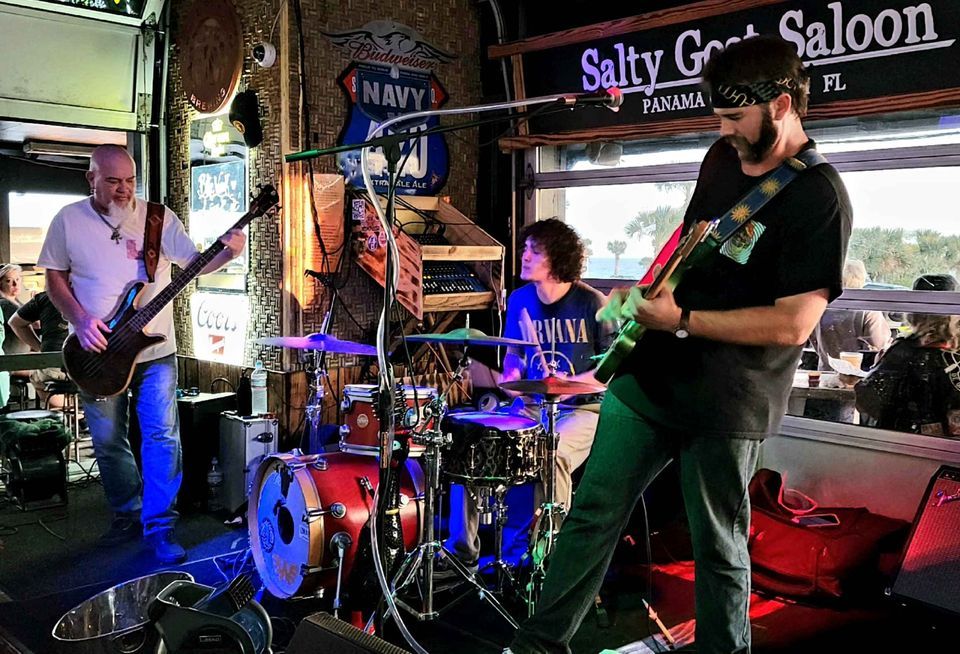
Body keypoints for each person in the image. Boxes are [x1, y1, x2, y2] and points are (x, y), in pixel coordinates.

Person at [507, 36, 851, 654]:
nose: (724, 130)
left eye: (735, 117)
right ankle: (537, 647)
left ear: (780, 103)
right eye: (718, 115)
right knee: (589, 519)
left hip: (729, 403)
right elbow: (689, 241)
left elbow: (794, 324)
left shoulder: (819, 196)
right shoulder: (722, 158)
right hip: (650, 379)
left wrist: (683, 319)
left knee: (718, 549)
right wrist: (640, 295)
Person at [38, 144, 246, 564]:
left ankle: (160, 526)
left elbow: (192, 263)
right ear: (91, 178)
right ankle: (126, 513)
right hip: (96, 352)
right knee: (108, 439)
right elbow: (54, 279)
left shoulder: (157, 217)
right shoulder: (67, 221)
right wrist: (79, 319)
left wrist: (227, 253)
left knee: (162, 436)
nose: (123, 190)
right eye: (113, 181)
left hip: (156, 351)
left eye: (130, 180)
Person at [441, 219, 615, 578]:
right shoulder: (520, 301)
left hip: (583, 410)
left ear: (558, 258)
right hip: (532, 407)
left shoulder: (591, 304)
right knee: (472, 442)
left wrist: (566, 383)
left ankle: (549, 555)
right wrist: (509, 380)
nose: (524, 255)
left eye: (534, 250)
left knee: (554, 453)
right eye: (524, 248)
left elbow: (607, 373)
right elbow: (514, 363)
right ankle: (463, 551)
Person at [855, 274, 960, 437]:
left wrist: (880, 366)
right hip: (949, 450)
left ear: (915, 312)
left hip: (903, 446)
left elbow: (867, 401)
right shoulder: (952, 354)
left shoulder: (902, 352)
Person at [810, 259, 889, 369]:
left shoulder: (820, 307)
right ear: (861, 278)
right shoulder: (868, 310)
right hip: (857, 374)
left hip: (826, 371)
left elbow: (813, 339)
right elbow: (880, 345)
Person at [8, 291, 70, 407]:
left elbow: (15, 322)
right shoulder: (100, 295)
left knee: (41, 377)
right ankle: (80, 413)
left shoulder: (46, 297)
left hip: (53, 368)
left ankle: (69, 413)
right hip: (91, 369)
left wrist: (40, 348)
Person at [0, 263, 29, 356]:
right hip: (13, 358)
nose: (15, 284)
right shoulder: (5, 304)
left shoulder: (17, 303)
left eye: (17, 279)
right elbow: (35, 324)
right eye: (8, 281)